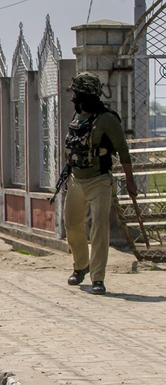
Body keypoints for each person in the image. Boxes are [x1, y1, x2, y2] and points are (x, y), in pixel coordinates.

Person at [63, 72, 137, 295]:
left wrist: (131, 182)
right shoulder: (78, 118)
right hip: (76, 180)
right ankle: (80, 266)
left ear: (85, 94)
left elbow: (123, 151)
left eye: (75, 93)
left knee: (99, 229)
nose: (73, 98)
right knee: (72, 226)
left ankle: (98, 277)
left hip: (100, 182)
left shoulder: (107, 119)